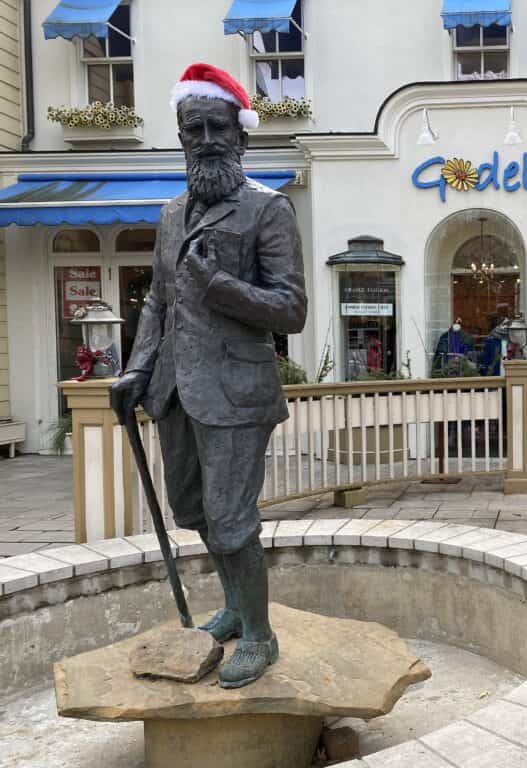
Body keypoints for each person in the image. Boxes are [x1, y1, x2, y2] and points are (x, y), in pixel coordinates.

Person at [109, 62, 307, 689]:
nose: (206, 140)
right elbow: (159, 303)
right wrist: (136, 368)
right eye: (192, 130)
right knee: (192, 508)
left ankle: (260, 634)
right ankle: (234, 605)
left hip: (236, 394)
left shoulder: (267, 211)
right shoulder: (170, 215)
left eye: (217, 128)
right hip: (175, 391)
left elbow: (292, 309)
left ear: (241, 134)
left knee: (230, 517)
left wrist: (219, 286)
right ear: (181, 136)